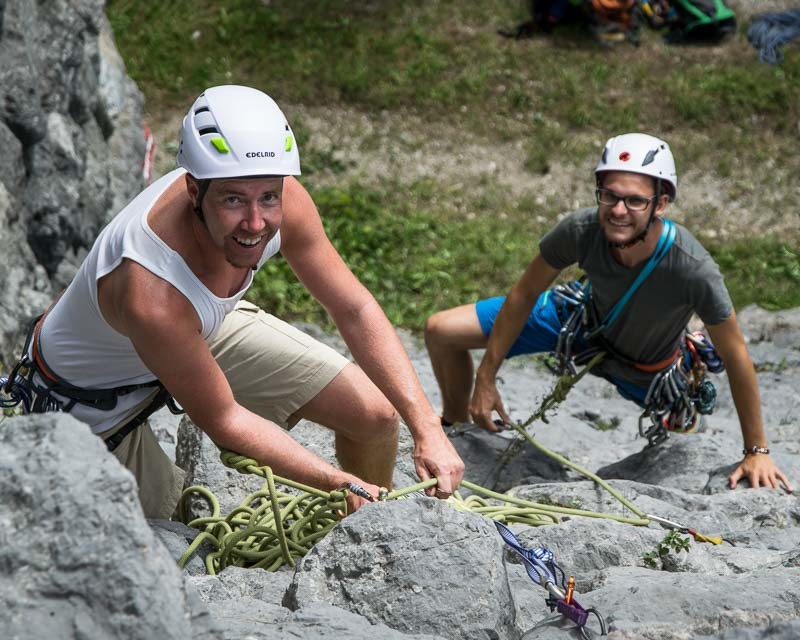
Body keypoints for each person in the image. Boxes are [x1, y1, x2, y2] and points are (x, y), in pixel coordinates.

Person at [14, 85, 464, 518]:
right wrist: (336, 480)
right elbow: (225, 419)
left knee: (376, 417)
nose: (255, 222)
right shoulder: (151, 290)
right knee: (172, 525)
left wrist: (427, 429)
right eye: (233, 200)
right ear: (195, 190)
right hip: (92, 404)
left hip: (200, 331)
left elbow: (354, 309)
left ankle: (358, 537)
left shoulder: (280, 202)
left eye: (269, 196)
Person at [424, 132, 791, 493]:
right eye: (610, 196)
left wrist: (756, 451)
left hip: (649, 369)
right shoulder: (583, 230)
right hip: (579, 325)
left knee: (683, 448)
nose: (618, 211)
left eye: (635, 201)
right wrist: (486, 376)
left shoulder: (691, 268)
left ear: (660, 205)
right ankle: (456, 425)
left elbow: (736, 353)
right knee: (441, 330)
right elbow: (524, 294)